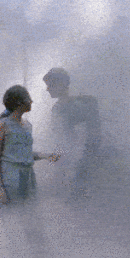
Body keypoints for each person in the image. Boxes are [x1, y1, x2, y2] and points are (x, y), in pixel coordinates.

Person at [0, 85, 60, 206]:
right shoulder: (2, 125)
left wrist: (46, 156)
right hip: (11, 180)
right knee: (12, 218)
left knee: (31, 215)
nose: (31, 102)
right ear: (18, 102)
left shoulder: (27, 125)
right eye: (28, 99)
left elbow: (24, 153)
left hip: (29, 179)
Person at [43, 67, 102, 196]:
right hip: (74, 161)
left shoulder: (82, 104)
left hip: (81, 161)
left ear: (61, 84)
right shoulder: (58, 108)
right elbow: (60, 138)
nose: (47, 89)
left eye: (50, 85)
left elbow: (91, 132)